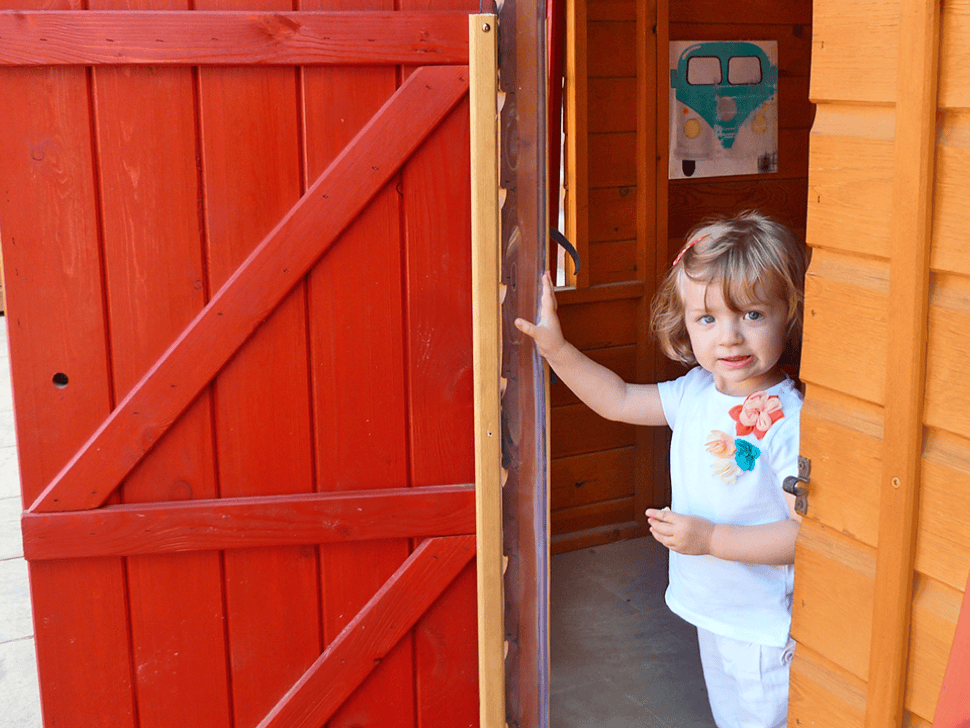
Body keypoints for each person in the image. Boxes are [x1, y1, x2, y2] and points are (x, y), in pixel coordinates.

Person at [515, 211, 809, 728]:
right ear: (685, 322)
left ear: (789, 312)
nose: (731, 338)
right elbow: (619, 398)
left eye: (753, 315)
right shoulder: (695, 392)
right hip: (714, 613)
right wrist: (556, 349)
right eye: (708, 319)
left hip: (763, 627)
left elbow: (804, 537)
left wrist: (711, 539)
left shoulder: (788, 419)